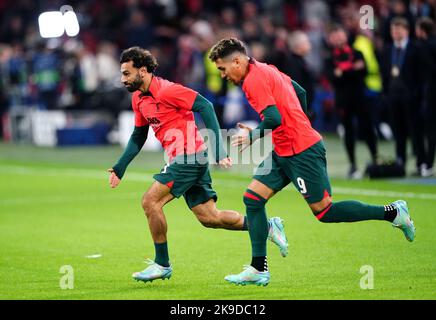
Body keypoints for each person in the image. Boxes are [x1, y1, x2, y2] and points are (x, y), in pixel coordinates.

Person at [208, 38, 416, 286]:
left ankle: (393, 213)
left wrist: (253, 135)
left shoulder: (254, 80)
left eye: (222, 68)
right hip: (284, 149)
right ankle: (258, 267)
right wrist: (300, 121)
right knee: (253, 199)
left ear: (237, 61)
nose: (222, 75)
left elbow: (273, 117)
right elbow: (300, 91)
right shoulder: (267, 68)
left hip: (301, 151)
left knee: (325, 211)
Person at [108, 47, 288, 284]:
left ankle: (162, 264)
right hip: (182, 159)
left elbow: (206, 106)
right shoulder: (138, 99)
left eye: (127, 74)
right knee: (210, 218)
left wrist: (219, 150)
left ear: (143, 70)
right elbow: (138, 136)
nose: (123, 80)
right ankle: (266, 226)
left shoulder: (168, 90)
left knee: (150, 201)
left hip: (190, 157)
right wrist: (120, 167)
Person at [325, 26, 379, 179]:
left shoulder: (357, 52)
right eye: (334, 35)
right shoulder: (329, 58)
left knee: (368, 128)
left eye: (340, 33)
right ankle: (353, 164)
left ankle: (376, 159)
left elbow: (364, 71)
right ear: (330, 40)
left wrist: (342, 71)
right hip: (343, 101)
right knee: (348, 132)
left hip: (360, 98)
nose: (338, 38)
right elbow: (333, 78)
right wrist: (352, 69)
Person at [381, 17, 425, 176]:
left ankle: (421, 163)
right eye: (393, 30)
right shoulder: (387, 49)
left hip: (410, 97)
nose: (396, 33)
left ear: (406, 31)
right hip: (393, 96)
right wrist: (385, 93)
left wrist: (417, 94)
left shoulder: (415, 48)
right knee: (398, 131)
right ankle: (400, 163)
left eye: (399, 30)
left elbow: (420, 74)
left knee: (415, 131)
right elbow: (384, 73)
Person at [415, 17, 436, 177]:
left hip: (429, 93)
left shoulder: (422, 47)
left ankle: (427, 163)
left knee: (429, 130)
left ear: (421, 31)